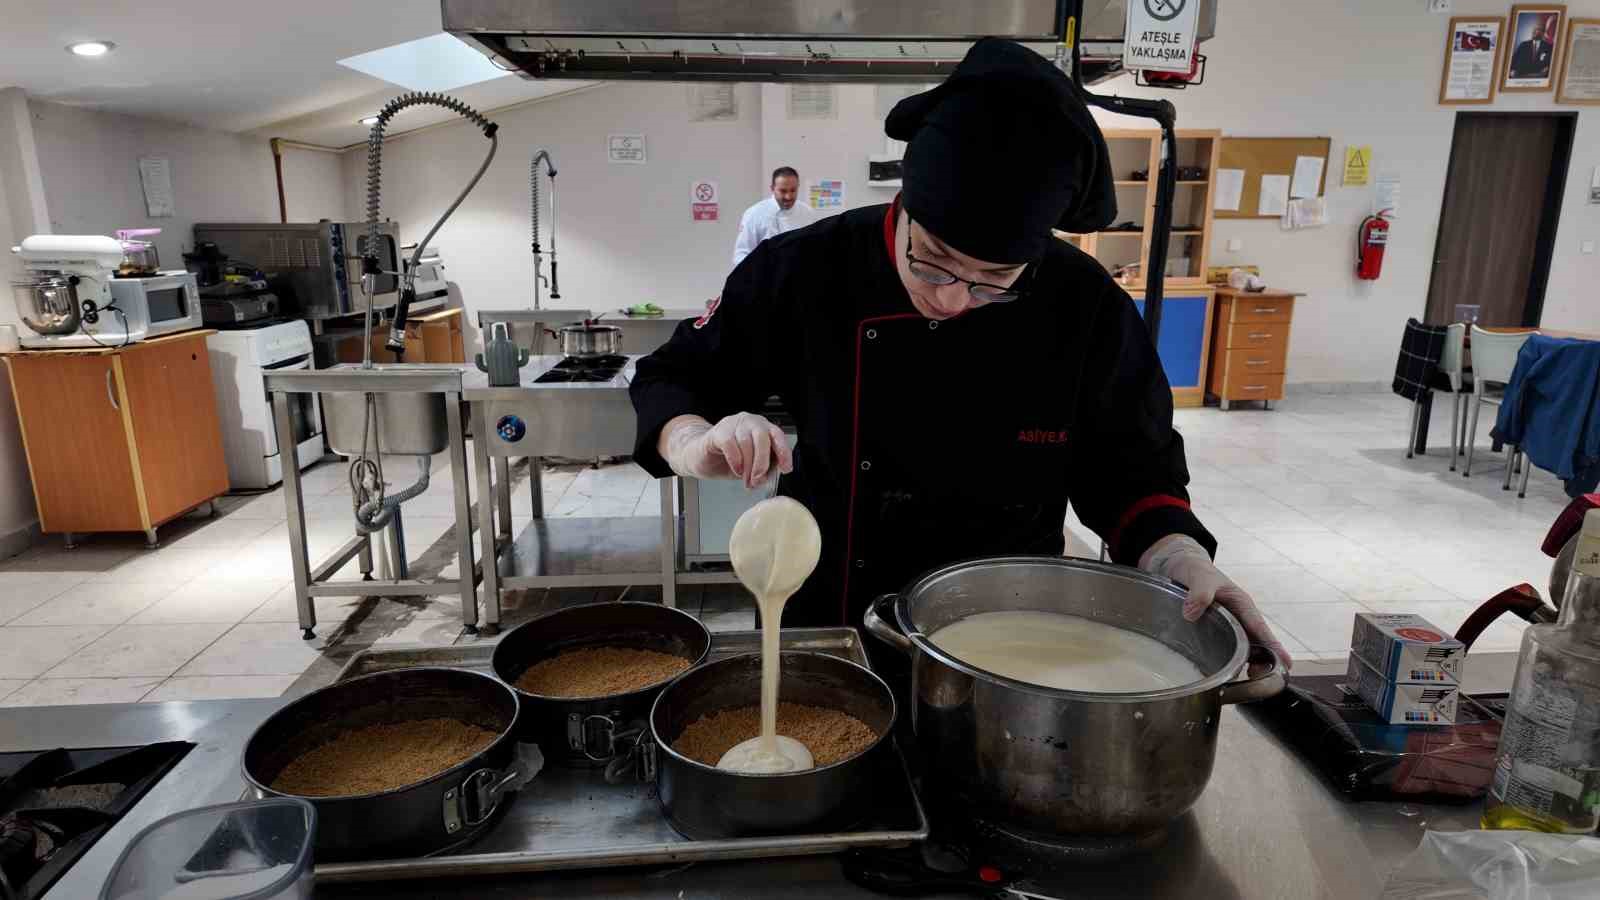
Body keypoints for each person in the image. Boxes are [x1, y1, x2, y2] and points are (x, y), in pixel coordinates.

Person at [632, 39, 1288, 665]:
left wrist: (1181, 560)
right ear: (904, 206)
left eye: (992, 283)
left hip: (1009, 631)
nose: (951, 299)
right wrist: (696, 443)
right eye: (934, 262)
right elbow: (673, 377)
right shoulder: (804, 269)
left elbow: (1132, 471)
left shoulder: (1084, 303)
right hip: (831, 619)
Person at [731, 167, 817, 266]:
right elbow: (741, 254)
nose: (788, 197)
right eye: (783, 191)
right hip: (765, 276)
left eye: (793, 190)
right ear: (772, 189)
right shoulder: (754, 214)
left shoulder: (808, 213)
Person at [1509, 16, 1555, 80]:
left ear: (1543, 33)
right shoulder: (1523, 45)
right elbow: (1514, 59)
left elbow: (1552, 62)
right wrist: (1512, 69)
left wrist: (1548, 68)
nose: (1535, 32)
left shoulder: (1548, 47)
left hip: (1539, 75)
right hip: (1522, 74)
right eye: (1534, 29)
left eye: (1538, 29)